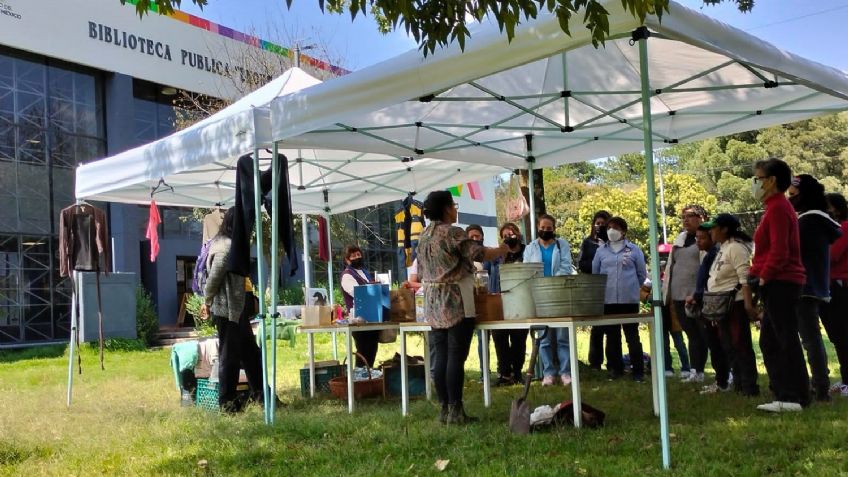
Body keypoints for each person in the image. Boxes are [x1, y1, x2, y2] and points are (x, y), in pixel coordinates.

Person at [417, 190, 508, 424]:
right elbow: (481, 253)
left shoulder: (424, 235)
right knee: (456, 356)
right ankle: (456, 411)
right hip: (456, 298)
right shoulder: (452, 232)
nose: (456, 209)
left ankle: (445, 410)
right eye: (454, 205)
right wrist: (503, 249)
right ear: (447, 208)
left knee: (441, 356)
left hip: (433, 300)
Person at [750, 158, 810, 412]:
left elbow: (780, 250)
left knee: (783, 339)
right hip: (777, 279)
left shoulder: (778, 208)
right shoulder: (774, 207)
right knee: (771, 340)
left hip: (781, 281)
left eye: (758, 178)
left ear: (772, 180)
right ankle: (786, 393)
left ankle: (792, 396)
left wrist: (765, 276)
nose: (754, 184)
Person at [200, 208, 266, 412]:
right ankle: (227, 403)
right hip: (228, 309)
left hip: (237, 308)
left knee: (251, 355)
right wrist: (207, 300)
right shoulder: (225, 246)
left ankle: (262, 397)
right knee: (229, 356)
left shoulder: (230, 244)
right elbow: (215, 277)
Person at [787, 175, 842, 402]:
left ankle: (820, 388)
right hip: (816, 285)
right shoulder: (819, 220)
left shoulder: (808, 221)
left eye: (793, 195)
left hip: (804, 286)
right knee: (812, 340)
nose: (790, 199)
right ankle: (820, 384)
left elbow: (795, 252)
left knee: (810, 341)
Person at [699, 214, 760, 396]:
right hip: (721, 304)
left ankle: (749, 387)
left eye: (714, 227)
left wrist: (749, 304)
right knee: (729, 345)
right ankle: (739, 384)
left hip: (736, 302)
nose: (711, 231)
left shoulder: (736, 248)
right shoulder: (723, 248)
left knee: (740, 344)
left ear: (724, 229)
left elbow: (745, 277)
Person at [592, 217, 647, 381]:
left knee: (632, 336)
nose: (611, 230)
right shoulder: (601, 251)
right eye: (609, 227)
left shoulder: (634, 250)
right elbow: (596, 274)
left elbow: (641, 274)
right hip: (608, 301)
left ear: (623, 231)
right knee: (612, 337)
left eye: (615, 227)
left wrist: (630, 288)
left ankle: (638, 371)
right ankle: (616, 369)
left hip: (628, 301)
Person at [524, 213, 575, 386]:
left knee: (562, 336)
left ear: (554, 229)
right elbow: (527, 269)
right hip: (539, 296)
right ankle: (548, 373)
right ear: (538, 228)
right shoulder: (530, 248)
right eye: (542, 228)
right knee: (543, 338)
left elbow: (566, 266)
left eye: (549, 228)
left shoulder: (562, 245)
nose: (545, 230)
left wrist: (552, 282)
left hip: (559, 293)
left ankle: (565, 372)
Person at [663, 205, 710, 383]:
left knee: (705, 334)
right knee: (691, 335)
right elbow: (670, 267)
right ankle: (695, 371)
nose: (685, 219)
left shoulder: (708, 239)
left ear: (702, 217)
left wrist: (702, 292)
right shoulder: (680, 239)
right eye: (683, 216)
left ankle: (723, 371)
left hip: (699, 296)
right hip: (678, 296)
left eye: (690, 216)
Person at [685, 224, 730, 394]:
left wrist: (696, 297)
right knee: (714, 343)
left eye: (702, 238)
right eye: (697, 238)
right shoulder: (708, 255)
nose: (698, 241)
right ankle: (722, 379)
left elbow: (709, 281)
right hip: (705, 301)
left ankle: (723, 380)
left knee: (717, 344)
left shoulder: (715, 255)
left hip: (712, 303)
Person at [491, 222, 528, 385]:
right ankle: (504, 373)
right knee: (499, 337)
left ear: (518, 234)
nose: (508, 237)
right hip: (501, 301)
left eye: (511, 234)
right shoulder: (498, 255)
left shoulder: (528, 251)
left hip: (521, 300)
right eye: (505, 236)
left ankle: (517, 372)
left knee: (518, 338)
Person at [579, 211, 614, 371]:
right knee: (597, 327)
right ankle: (595, 362)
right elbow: (582, 264)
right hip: (595, 289)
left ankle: (614, 361)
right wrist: (596, 264)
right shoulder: (588, 243)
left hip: (613, 288)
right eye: (597, 223)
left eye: (603, 223)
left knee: (613, 328)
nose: (600, 226)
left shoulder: (615, 243)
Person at [465, 224, 498, 384]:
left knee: (488, 337)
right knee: (476, 339)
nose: (475, 239)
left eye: (477, 236)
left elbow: (492, 277)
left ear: (483, 237)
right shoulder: (462, 256)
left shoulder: (489, 255)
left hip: (486, 300)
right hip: (467, 302)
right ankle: (481, 373)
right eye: (471, 236)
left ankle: (493, 372)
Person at [823, 193, 848, 397]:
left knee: (844, 335)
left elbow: (832, 255)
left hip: (841, 286)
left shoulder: (844, 228)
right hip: (829, 286)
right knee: (838, 337)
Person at [340, 245, 380, 367]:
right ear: (347, 260)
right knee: (363, 350)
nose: (357, 257)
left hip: (372, 318)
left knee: (372, 350)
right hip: (359, 319)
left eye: (358, 254)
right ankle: (359, 379)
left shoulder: (365, 273)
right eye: (353, 256)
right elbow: (356, 292)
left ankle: (367, 379)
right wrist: (372, 287)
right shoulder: (346, 275)